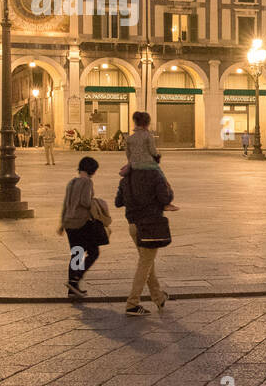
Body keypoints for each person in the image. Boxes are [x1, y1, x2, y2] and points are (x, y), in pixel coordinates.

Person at [115, 163, 173, 316]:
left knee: (147, 261)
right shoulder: (153, 177)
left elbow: (118, 202)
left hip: (133, 227)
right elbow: (166, 197)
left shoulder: (125, 180)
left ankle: (158, 297)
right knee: (145, 263)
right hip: (149, 226)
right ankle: (132, 303)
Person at [58, 156, 110, 299]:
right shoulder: (87, 182)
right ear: (92, 170)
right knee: (93, 252)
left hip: (69, 223)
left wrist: (62, 224)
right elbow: (86, 202)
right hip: (81, 222)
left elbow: (66, 204)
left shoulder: (71, 182)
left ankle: (72, 288)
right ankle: (76, 278)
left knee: (76, 253)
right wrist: (97, 202)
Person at [122, 111, 178, 210]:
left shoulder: (130, 138)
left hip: (134, 166)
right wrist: (158, 156)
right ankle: (166, 203)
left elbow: (128, 154)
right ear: (147, 123)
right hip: (148, 165)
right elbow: (153, 151)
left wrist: (133, 162)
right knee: (163, 181)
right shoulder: (148, 136)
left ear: (135, 122)